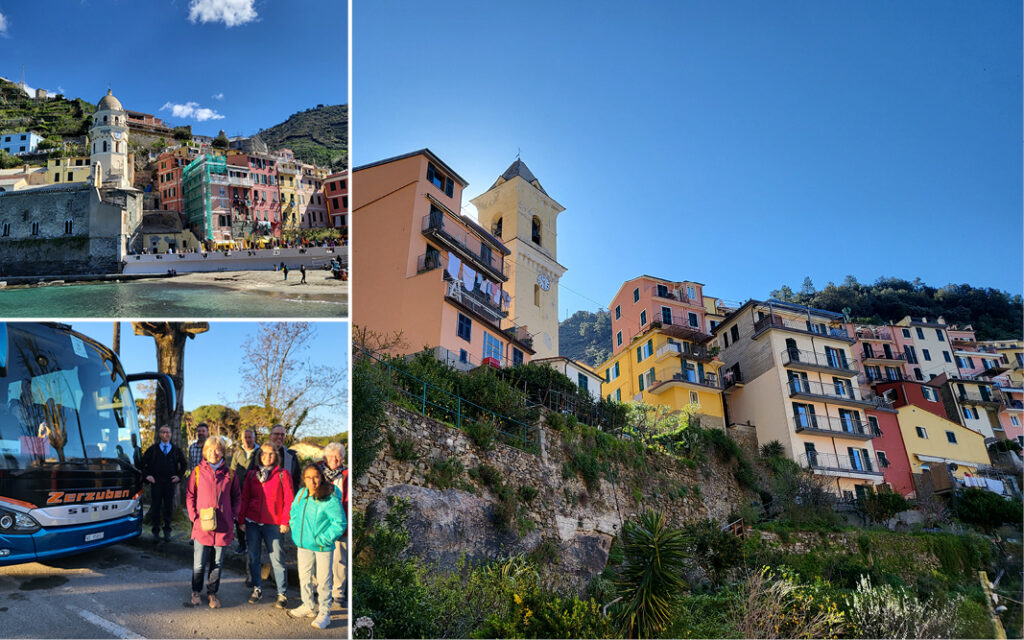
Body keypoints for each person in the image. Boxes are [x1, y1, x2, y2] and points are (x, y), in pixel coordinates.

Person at [288, 464, 345, 629]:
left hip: (322, 546)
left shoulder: (330, 498)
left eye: (315, 477)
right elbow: (294, 512)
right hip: (303, 544)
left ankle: (324, 613)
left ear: (321, 477)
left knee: (323, 581)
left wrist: (324, 538)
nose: (312, 481)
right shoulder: (301, 494)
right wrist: (295, 528)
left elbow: (339, 523)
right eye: (308, 477)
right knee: (304, 577)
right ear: (303, 479)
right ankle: (308, 605)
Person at [185, 436, 240, 609]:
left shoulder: (230, 474)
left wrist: (233, 516)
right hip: (202, 525)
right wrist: (194, 516)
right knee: (199, 563)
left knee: (217, 564)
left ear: (223, 452)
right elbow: (190, 495)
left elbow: (237, 497)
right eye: (210, 449)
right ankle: (195, 590)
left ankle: (212, 592)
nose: (213, 453)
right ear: (205, 452)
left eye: (217, 450)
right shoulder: (197, 472)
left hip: (223, 526)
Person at [237, 444, 294, 609]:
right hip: (252, 522)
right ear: (259, 455)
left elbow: (289, 500)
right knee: (254, 558)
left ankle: (282, 593)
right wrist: (241, 520)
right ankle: (257, 588)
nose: (267, 457)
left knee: (277, 559)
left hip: (274, 524)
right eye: (264, 454)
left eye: (271, 454)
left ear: (276, 456)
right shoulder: (251, 475)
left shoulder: (283, 475)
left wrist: (285, 521)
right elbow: (245, 498)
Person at [140, 425, 186, 542]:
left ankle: (167, 531)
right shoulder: (153, 449)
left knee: (168, 507)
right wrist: (147, 476)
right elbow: (142, 464)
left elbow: (184, 464)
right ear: (160, 434)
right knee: (156, 507)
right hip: (156, 483)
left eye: (168, 432)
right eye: (164, 432)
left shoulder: (176, 450)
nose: (166, 434)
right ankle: (155, 531)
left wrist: (179, 476)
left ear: (171, 434)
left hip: (170, 483)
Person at [317, 442, 348, 606]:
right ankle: (320, 589)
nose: (335, 459)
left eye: (338, 456)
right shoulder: (317, 473)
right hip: (320, 523)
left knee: (339, 560)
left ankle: (338, 593)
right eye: (331, 456)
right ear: (325, 457)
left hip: (340, 524)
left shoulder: (347, 474)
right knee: (319, 556)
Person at [230, 429, 259, 555]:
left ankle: (252, 544)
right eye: (245, 437)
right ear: (242, 439)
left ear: (254, 438)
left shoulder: (260, 452)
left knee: (252, 519)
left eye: (250, 437)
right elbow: (232, 471)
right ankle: (242, 544)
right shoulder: (237, 453)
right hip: (239, 492)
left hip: (255, 492)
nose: (247, 439)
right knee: (239, 519)